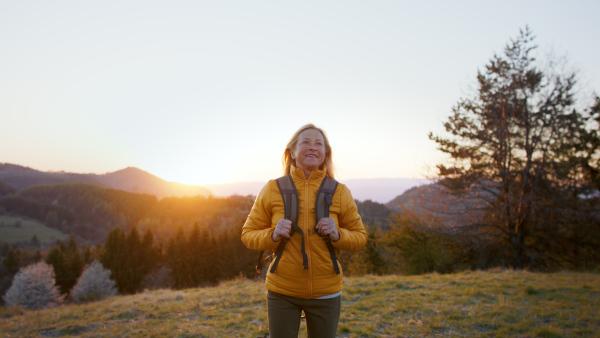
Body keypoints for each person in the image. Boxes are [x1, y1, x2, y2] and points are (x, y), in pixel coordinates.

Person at [241, 123, 367, 338]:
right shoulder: (273, 188)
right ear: (292, 152)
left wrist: (338, 234)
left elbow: (360, 238)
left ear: (325, 153)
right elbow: (248, 234)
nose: (312, 147)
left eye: (319, 143)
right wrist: (272, 234)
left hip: (326, 291)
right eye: (306, 142)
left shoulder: (340, 191)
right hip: (282, 291)